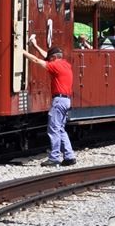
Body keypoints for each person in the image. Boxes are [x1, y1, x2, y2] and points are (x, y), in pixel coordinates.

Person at [23, 35, 77, 168]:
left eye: (50, 58)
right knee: (60, 129)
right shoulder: (65, 64)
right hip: (66, 101)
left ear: (53, 58)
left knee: (53, 129)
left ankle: (54, 158)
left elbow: (36, 60)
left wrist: (21, 51)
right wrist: (35, 46)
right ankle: (69, 156)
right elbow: (46, 55)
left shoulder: (55, 66)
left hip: (58, 101)